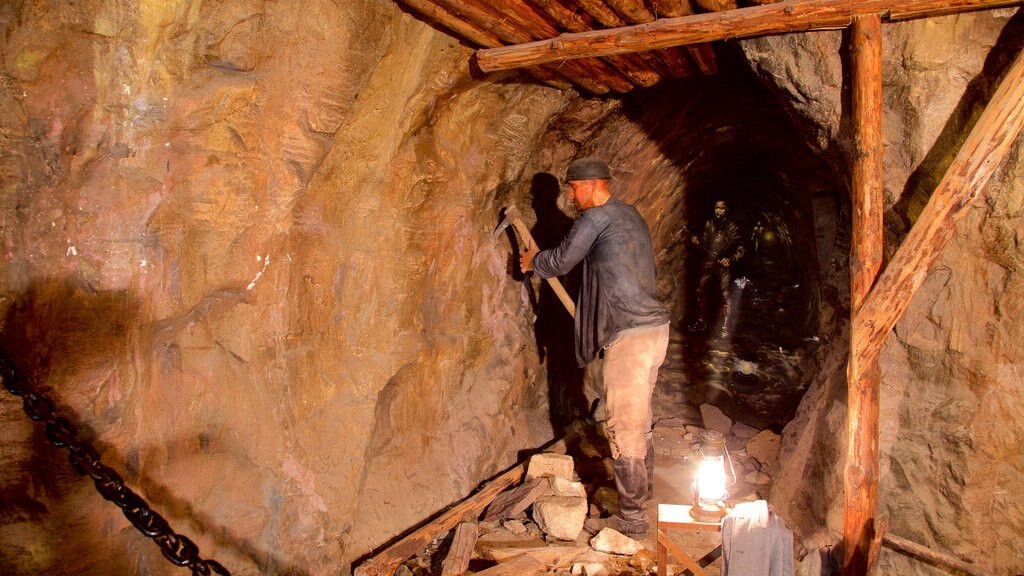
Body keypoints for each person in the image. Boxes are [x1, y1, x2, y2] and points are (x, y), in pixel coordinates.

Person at [520, 157, 670, 539]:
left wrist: (532, 261)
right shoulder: (629, 214)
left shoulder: (594, 218)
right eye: (567, 188)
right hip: (655, 331)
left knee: (624, 426)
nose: (571, 195)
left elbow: (563, 259)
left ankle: (633, 520)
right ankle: (643, 495)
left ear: (592, 185)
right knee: (640, 417)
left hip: (631, 337)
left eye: (573, 187)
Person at [688, 199, 746, 338]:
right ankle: (701, 321)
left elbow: (741, 248)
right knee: (700, 291)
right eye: (716, 208)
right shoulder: (709, 224)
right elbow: (703, 241)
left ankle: (724, 327)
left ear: (727, 210)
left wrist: (730, 259)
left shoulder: (733, 228)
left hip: (722, 265)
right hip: (708, 262)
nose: (718, 211)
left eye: (722, 208)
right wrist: (696, 242)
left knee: (724, 295)